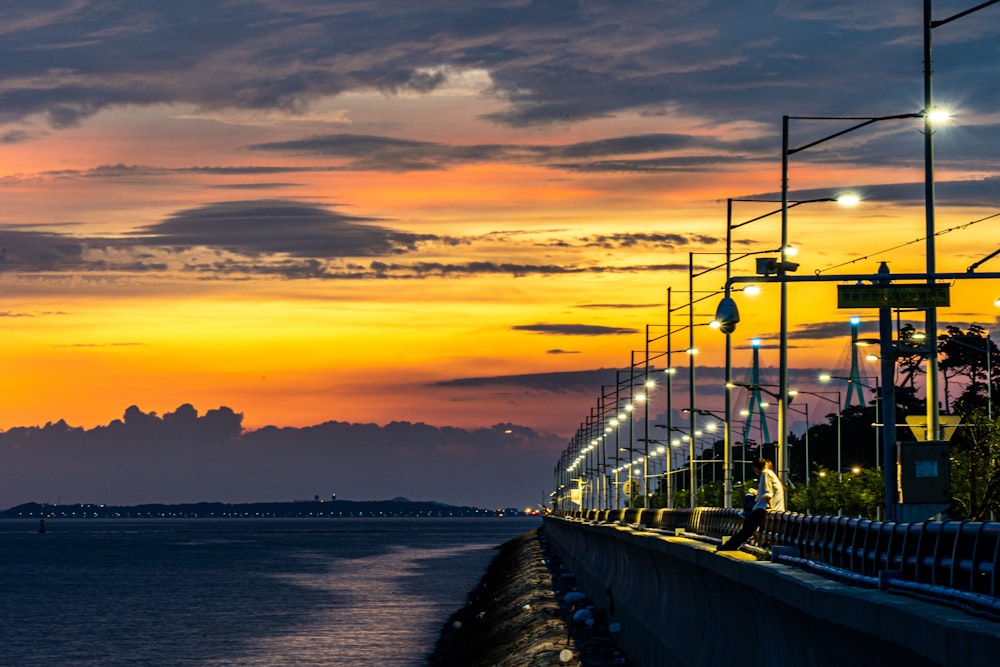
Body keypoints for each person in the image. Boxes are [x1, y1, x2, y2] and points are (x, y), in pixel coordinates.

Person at [717, 457, 784, 552]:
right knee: (747, 528)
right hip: (763, 507)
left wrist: (771, 507)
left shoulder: (765, 474)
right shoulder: (769, 474)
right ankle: (730, 544)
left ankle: (730, 545)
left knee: (746, 529)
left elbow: (768, 494)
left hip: (762, 509)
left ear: (756, 467)